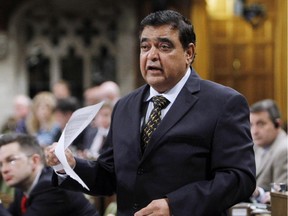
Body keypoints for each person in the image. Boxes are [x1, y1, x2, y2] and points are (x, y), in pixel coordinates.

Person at [45, 10, 256, 216]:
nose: (152, 55)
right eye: (145, 47)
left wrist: (175, 206)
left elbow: (239, 178)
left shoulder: (223, 103)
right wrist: (69, 165)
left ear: (188, 53)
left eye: (164, 47)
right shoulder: (124, 106)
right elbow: (109, 176)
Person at [0, 133, 99, 216]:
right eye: (0, 164)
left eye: (11, 160)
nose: (4, 169)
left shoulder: (51, 187)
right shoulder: (21, 187)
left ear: (35, 160)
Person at [249, 99, 288, 204]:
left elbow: (281, 195)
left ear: (277, 124)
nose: (254, 131)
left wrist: (258, 193)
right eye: (251, 124)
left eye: (261, 124)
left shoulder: (284, 149)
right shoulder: (256, 146)